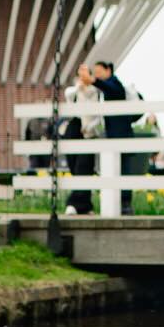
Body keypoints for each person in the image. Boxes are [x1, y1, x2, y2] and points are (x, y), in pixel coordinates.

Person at [92, 57, 136, 215]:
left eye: (99, 72)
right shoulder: (108, 87)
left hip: (121, 135)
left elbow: (109, 87)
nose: (97, 75)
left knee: (123, 170)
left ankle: (125, 203)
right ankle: (121, 203)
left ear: (108, 70)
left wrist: (93, 81)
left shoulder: (115, 84)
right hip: (115, 135)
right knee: (116, 169)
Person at [64, 63, 101, 216]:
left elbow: (98, 116)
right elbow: (68, 94)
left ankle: (73, 203)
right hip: (74, 128)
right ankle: (85, 205)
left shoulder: (95, 92)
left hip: (87, 132)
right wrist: (79, 86)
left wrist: (89, 127)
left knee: (84, 167)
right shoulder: (74, 91)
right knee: (74, 167)